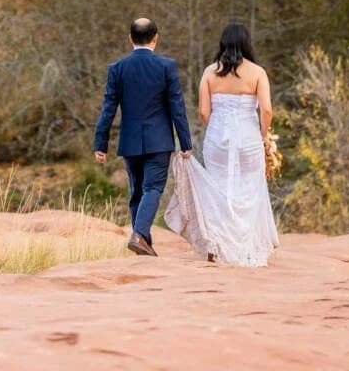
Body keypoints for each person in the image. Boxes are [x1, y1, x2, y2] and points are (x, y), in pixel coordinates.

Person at [165, 21, 278, 267]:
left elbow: (204, 112)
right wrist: (263, 135)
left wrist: (215, 127)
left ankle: (219, 245)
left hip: (218, 137)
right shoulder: (258, 72)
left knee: (217, 188)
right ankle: (247, 248)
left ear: (222, 44)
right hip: (248, 137)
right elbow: (267, 109)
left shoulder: (209, 72)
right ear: (247, 43)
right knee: (249, 189)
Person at [93, 17, 193, 256]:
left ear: (130, 39)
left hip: (129, 140)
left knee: (137, 190)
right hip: (159, 141)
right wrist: (185, 142)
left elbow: (108, 108)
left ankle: (143, 242)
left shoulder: (117, 68)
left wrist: (101, 143)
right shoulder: (166, 66)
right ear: (155, 38)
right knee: (153, 188)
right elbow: (177, 107)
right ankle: (138, 235)